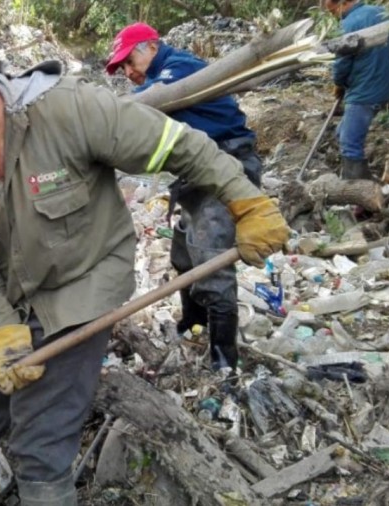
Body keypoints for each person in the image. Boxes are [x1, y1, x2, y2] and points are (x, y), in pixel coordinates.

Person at [0, 32, 288, 505]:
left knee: (40, 446)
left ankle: (43, 483)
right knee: (0, 415)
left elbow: (178, 146)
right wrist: (4, 326)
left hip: (84, 282)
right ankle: (15, 465)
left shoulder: (71, 112)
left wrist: (247, 202)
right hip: (18, 291)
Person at [105, 22, 263, 371]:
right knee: (183, 256)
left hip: (227, 166)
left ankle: (225, 360)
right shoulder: (159, 73)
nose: (128, 72)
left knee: (210, 260)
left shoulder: (180, 68)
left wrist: (103, 116)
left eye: (129, 62)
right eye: (123, 69)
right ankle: (193, 325)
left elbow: (152, 102)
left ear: (150, 46)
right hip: (197, 175)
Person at [322, 0, 389, 179]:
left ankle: (360, 197)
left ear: (341, 4)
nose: (335, 16)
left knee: (350, 144)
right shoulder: (381, 11)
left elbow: (342, 64)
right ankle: (360, 175)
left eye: (332, 12)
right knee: (342, 132)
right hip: (386, 84)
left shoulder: (348, 25)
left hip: (364, 91)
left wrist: (338, 84)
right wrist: (381, 52)